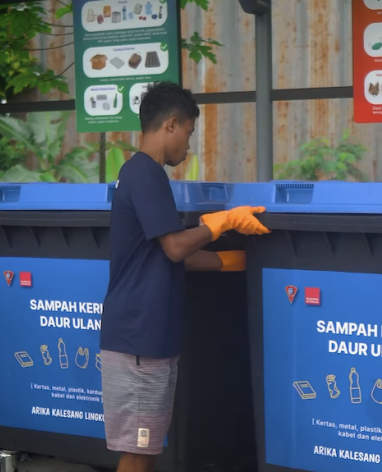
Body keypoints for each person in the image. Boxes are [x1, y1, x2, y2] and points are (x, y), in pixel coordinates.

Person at [99, 81, 270, 472]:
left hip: (148, 338)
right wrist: (222, 221)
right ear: (171, 124)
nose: (188, 146)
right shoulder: (145, 173)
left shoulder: (142, 174)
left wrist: (225, 263)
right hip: (138, 339)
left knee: (147, 447)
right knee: (137, 452)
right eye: (189, 134)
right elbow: (175, 247)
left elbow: (166, 255)